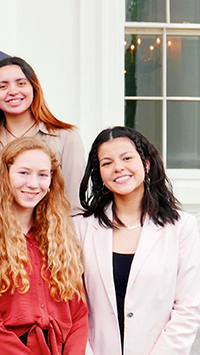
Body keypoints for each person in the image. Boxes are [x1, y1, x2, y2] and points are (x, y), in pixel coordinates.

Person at [74, 126, 200, 355]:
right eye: (107, 163)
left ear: (147, 163)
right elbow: (72, 306)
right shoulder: (80, 228)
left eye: (127, 158)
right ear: (100, 174)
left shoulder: (182, 227)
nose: (118, 167)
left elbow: (188, 308)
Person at [0, 137, 87, 354]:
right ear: (5, 175)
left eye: (42, 175)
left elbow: (79, 314)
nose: (33, 184)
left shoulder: (62, 238)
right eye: (23, 173)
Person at [0, 56, 85, 208]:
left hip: (52, 229)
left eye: (21, 83)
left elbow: (74, 204)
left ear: (34, 89)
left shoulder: (66, 137)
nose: (13, 91)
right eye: (3, 86)